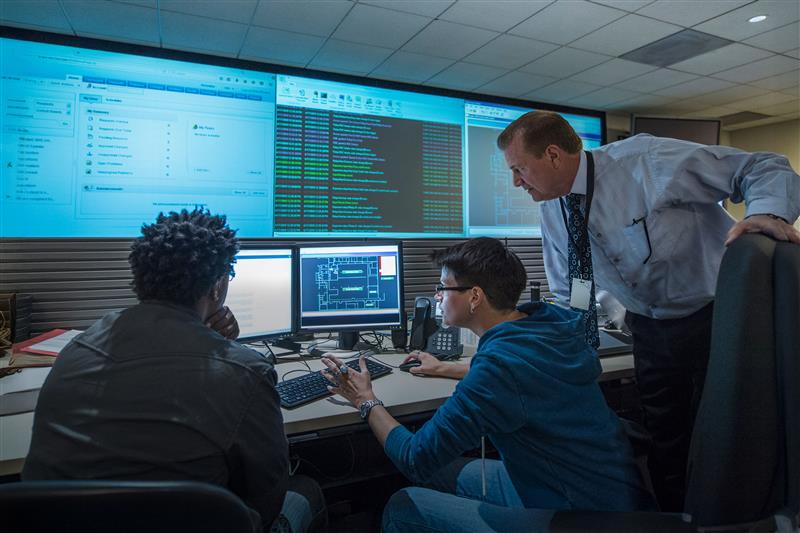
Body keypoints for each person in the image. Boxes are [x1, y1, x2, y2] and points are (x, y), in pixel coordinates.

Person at [497, 110, 800, 512]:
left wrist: (765, 214)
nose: (516, 182)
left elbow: (762, 166)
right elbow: (572, 286)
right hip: (649, 329)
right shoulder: (553, 208)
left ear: (553, 155)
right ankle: (677, 517)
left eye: (519, 169)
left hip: (713, 319)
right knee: (665, 438)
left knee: (721, 438)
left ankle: (723, 517)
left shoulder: (645, 162)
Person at [321, 237, 655, 533]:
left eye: (444, 287)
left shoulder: (498, 369)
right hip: (607, 489)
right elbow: (523, 375)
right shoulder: (549, 324)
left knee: (404, 503)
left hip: (577, 515)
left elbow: (415, 458)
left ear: (475, 297)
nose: (437, 296)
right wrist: (445, 367)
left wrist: (365, 400)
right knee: (446, 471)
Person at [22, 209, 326, 533]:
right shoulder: (245, 372)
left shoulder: (76, 350)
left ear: (141, 278)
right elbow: (267, 500)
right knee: (305, 492)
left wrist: (212, 340)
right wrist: (223, 351)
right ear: (218, 286)